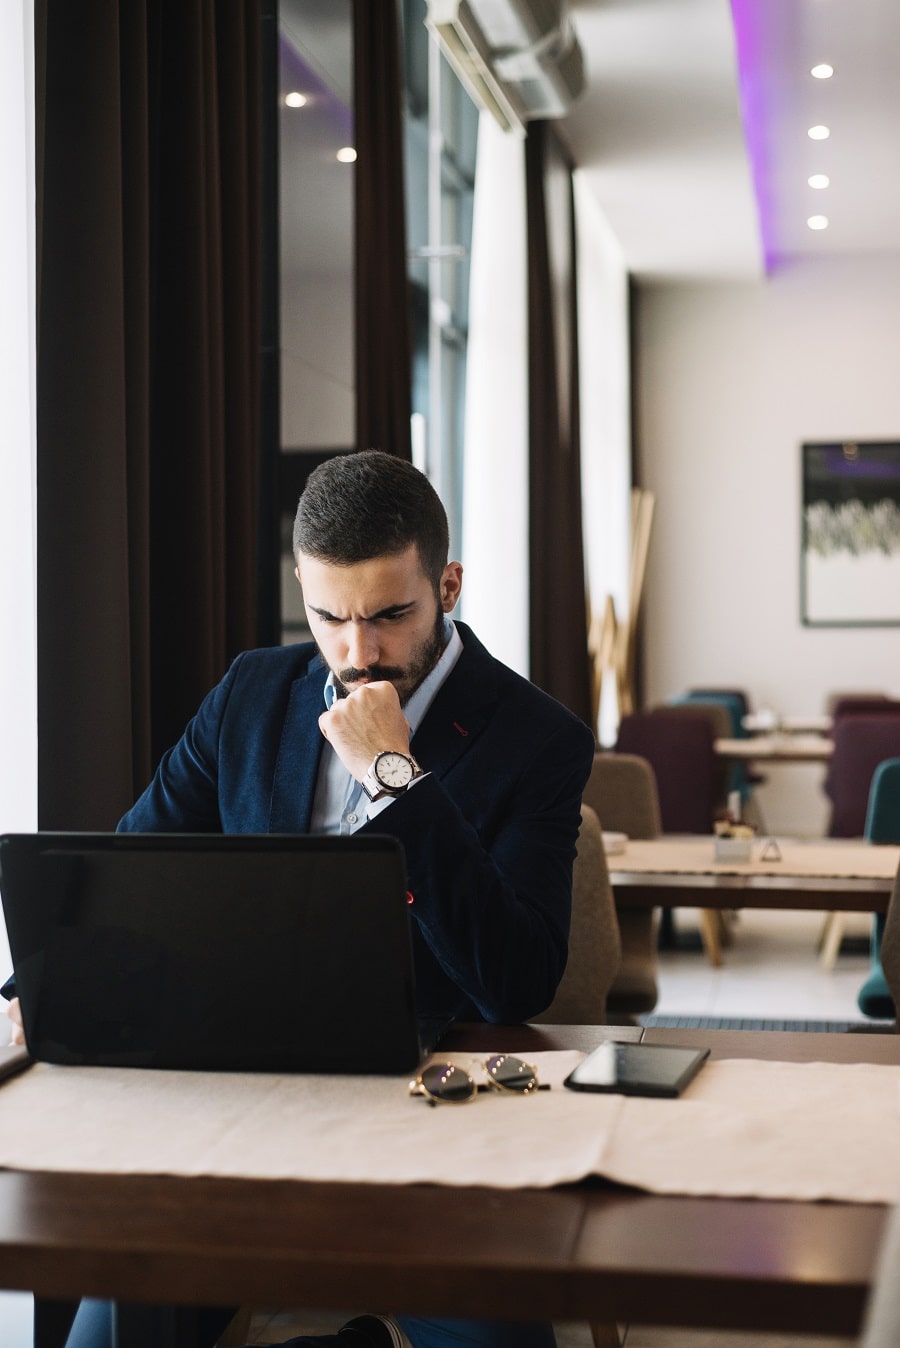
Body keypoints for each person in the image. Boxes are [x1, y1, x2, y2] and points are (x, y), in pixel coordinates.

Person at [12, 450, 596, 1348]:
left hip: (435, 1130)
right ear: (301, 587)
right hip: (237, 1111)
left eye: (391, 615)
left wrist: (398, 779)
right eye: (329, 615)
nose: (358, 651)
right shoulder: (251, 693)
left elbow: (516, 980)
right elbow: (126, 871)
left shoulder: (538, 738)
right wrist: (37, 993)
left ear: (448, 584)